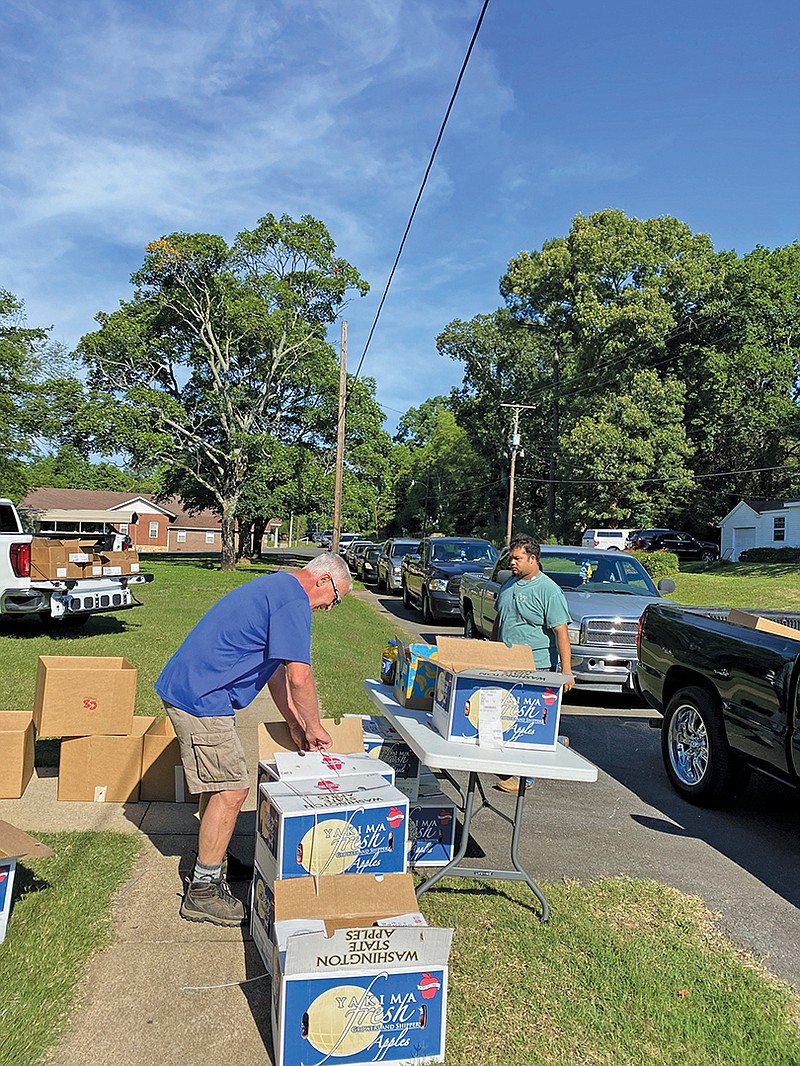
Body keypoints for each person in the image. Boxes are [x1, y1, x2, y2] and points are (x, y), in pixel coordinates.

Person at [154, 552, 352, 926]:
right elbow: (299, 678)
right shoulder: (295, 601)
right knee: (231, 789)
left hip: (198, 687)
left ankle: (215, 857)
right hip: (200, 694)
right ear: (323, 579)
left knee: (219, 786)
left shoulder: (280, 587)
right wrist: (315, 726)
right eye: (335, 598)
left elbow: (275, 671)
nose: (330, 607)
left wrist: (293, 722)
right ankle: (203, 890)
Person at [491, 534, 575, 793]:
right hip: (506, 662)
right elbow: (499, 620)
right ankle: (554, 740)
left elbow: (561, 631)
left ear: (532, 558)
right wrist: (491, 652)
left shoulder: (548, 590)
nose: (512, 563)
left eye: (517, 558)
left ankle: (523, 778)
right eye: (511, 558)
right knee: (508, 716)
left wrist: (566, 670)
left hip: (536, 665)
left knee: (526, 720)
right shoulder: (508, 584)